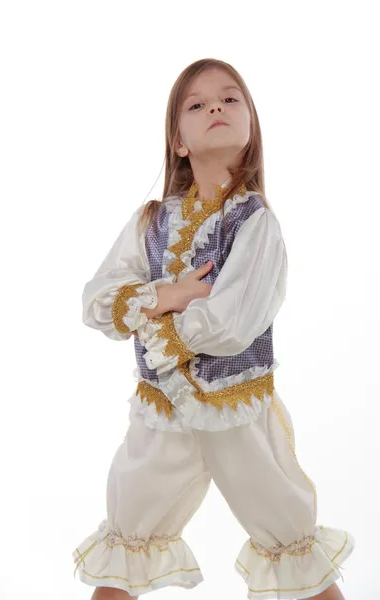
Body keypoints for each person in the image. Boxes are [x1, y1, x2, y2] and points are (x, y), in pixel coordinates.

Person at [72, 58, 355, 600]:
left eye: (230, 99)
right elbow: (98, 300)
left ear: (251, 129)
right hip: (160, 412)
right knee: (126, 543)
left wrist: (157, 320)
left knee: (290, 542)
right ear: (179, 141)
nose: (215, 108)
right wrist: (168, 294)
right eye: (197, 105)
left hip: (237, 413)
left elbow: (232, 322)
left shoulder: (255, 223)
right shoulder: (150, 221)